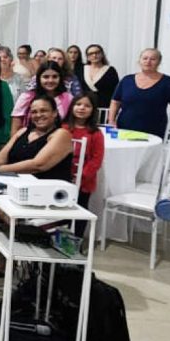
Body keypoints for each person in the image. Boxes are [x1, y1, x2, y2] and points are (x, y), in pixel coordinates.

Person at [0, 93, 73, 182]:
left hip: (46, 191)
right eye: (34, 112)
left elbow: (37, 165)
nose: (38, 115)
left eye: (44, 111)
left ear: (54, 113)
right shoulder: (23, 131)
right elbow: (1, 157)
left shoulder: (61, 134)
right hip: (14, 185)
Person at [108, 48, 170, 136]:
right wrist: (111, 121)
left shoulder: (167, 82)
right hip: (124, 130)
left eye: (153, 59)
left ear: (159, 62)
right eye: (145, 58)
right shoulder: (126, 80)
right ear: (139, 61)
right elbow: (115, 102)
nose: (148, 61)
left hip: (153, 132)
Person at [63, 93, 105, 236]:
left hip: (84, 181)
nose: (82, 108)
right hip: (62, 177)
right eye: (78, 104)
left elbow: (96, 159)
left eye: (87, 106)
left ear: (93, 110)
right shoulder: (63, 128)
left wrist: (81, 176)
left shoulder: (96, 133)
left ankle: (77, 241)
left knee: (80, 210)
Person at [11, 62, 73, 135]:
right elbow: (16, 125)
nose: (50, 80)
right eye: (46, 77)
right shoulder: (27, 97)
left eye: (55, 77)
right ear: (39, 78)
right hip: (30, 140)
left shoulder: (68, 98)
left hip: (57, 141)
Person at [83, 44, 119, 109]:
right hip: (86, 106)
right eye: (91, 53)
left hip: (104, 107)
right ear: (87, 57)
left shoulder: (110, 70)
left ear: (102, 54)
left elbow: (115, 91)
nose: (94, 55)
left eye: (97, 53)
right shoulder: (82, 69)